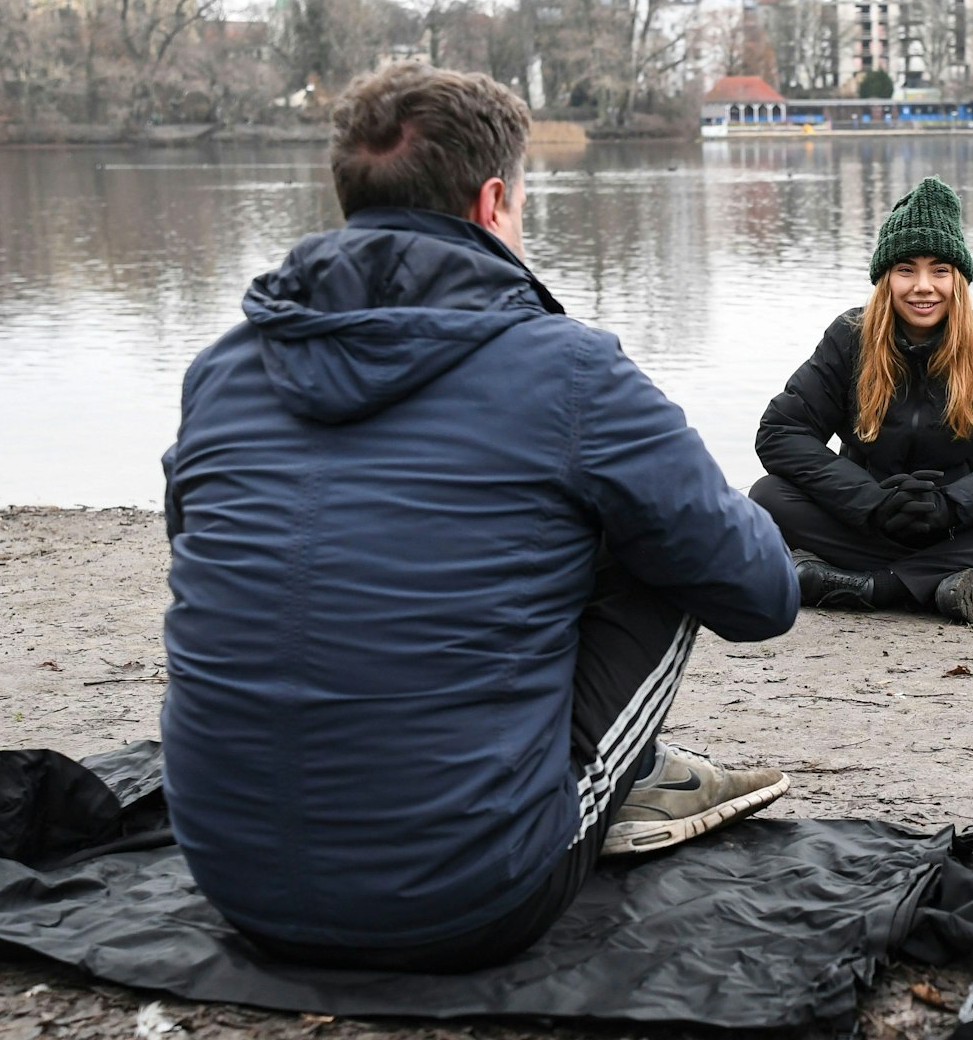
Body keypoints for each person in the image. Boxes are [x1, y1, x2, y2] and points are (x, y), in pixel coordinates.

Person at [159, 63, 799, 973]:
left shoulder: (222, 366)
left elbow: (193, 550)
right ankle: (625, 777)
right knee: (667, 539)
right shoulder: (570, 371)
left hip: (232, 880)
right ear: (494, 200)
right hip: (469, 896)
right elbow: (761, 593)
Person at [751, 176, 973, 624]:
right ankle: (952, 583)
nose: (923, 286)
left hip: (964, 528)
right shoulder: (849, 338)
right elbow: (780, 433)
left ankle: (875, 585)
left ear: (957, 279)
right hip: (870, 525)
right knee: (768, 494)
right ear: (886, 278)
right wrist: (870, 502)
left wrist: (955, 504)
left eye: (939, 270)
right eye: (907, 269)